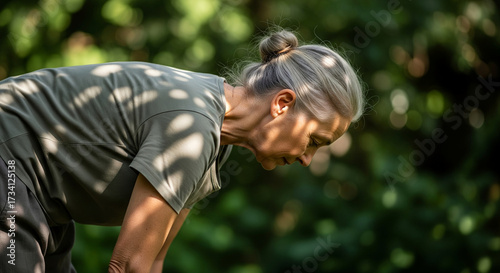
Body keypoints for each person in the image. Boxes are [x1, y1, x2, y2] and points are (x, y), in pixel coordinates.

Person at [0, 29, 364, 272]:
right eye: (314, 141)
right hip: (11, 169)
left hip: (42, 202)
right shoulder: (191, 128)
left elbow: (153, 261)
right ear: (282, 104)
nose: (306, 158)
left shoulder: (213, 144)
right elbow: (128, 266)